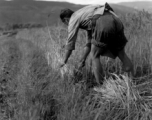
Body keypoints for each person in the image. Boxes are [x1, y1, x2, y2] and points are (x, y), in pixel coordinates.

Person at [59, 3, 134, 86]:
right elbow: (90, 40)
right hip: (116, 19)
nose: (67, 25)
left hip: (103, 22)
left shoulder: (73, 19)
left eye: (66, 24)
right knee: (121, 54)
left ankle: (100, 85)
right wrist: (83, 59)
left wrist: (64, 60)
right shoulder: (84, 14)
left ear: (66, 20)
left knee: (94, 55)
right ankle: (132, 81)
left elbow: (70, 42)